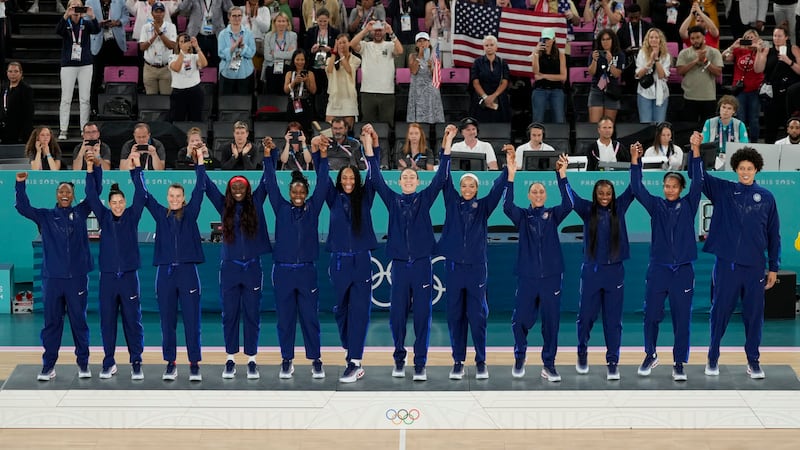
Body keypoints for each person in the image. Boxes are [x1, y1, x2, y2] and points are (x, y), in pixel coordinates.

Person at [687, 131, 780, 379]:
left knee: (753, 316)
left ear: (757, 170)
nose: (746, 172)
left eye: (750, 168)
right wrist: (695, 150)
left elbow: (774, 235)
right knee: (719, 312)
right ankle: (713, 357)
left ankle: (753, 361)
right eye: (741, 168)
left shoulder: (767, 198)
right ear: (736, 169)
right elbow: (697, 178)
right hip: (727, 264)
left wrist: (774, 267)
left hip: (754, 267)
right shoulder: (724, 191)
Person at [364, 122, 452, 381]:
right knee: (397, 317)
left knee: (423, 317)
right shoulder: (392, 200)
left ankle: (420, 363)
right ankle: (399, 359)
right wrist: (369, 143)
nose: (409, 180)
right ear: (400, 181)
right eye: (405, 177)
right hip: (400, 266)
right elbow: (374, 176)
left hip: (423, 265)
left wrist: (447, 141)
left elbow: (442, 176)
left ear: (417, 180)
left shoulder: (425, 198)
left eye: (413, 177)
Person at [629, 140, 702, 382]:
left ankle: (679, 362)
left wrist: (695, 151)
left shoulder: (690, 204)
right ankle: (650, 354)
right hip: (658, 270)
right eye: (666, 186)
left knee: (682, 319)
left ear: (681, 188)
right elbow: (637, 188)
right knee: (651, 315)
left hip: (682, 271)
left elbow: (699, 181)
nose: (669, 189)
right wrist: (635, 160)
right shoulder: (656, 206)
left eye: (674, 186)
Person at [437, 135, 508, 381]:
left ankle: (480, 361)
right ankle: (458, 361)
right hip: (455, 268)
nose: (467, 189)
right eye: (464, 185)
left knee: (477, 317)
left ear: (477, 189)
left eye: (472, 186)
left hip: (477, 268)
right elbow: (443, 178)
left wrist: (508, 165)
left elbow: (499, 188)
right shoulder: (452, 202)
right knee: (455, 315)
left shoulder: (484, 207)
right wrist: (446, 146)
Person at [312, 127, 379, 383]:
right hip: (339, 260)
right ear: (340, 181)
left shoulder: (366, 197)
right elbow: (322, 178)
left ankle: (355, 360)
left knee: (360, 310)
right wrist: (321, 152)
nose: (348, 181)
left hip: (361, 260)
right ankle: (349, 347)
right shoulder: (333, 197)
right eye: (345, 178)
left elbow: (375, 175)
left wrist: (370, 146)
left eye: (352, 178)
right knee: (341, 309)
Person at [263, 133, 331, 380]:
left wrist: (322, 156)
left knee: (310, 318)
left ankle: (316, 360)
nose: (299, 193)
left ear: (306, 191)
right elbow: (270, 183)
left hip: (306, 272)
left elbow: (323, 183)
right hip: (282, 271)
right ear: (290, 192)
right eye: (295, 190)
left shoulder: (313, 208)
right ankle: (286, 360)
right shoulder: (280, 208)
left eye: (302, 189)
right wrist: (268, 155)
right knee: (286, 319)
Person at [15, 172, 92, 381]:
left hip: (77, 279)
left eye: (68, 191)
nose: (65, 194)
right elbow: (23, 208)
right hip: (52, 280)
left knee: (79, 322)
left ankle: (83, 364)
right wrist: (20, 184)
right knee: (51, 324)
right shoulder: (45, 216)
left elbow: (95, 194)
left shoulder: (82, 212)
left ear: (73, 195)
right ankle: (48, 366)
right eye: (61, 191)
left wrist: (93, 170)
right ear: (56, 195)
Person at [203, 150, 273, 380]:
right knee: (230, 315)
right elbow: (207, 185)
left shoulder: (257, 203)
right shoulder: (224, 207)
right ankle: (230, 359)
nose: (239, 191)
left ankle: (252, 360)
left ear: (248, 190)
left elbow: (268, 180)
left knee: (252, 314)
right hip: (230, 269)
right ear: (230, 191)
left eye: (242, 187)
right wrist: (200, 163)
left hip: (252, 268)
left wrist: (268, 156)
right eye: (235, 188)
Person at [504, 151, 572, 381]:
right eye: (534, 191)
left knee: (551, 323)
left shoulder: (553, 215)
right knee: (521, 319)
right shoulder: (522, 216)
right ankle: (519, 356)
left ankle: (549, 365)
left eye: (542, 191)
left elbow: (569, 203)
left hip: (552, 276)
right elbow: (506, 206)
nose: (539, 194)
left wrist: (562, 175)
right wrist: (511, 176)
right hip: (527, 276)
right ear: (529, 195)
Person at [143, 146, 208, 382]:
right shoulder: (160, 214)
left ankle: (193, 364)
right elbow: (144, 195)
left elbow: (200, 189)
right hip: (165, 274)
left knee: (192, 321)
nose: (174, 200)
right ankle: (170, 363)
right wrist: (135, 169)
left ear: (183, 199)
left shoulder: (191, 213)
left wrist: (200, 161)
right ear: (167, 198)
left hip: (188, 273)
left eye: (178, 197)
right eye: (171, 197)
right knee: (167, 321)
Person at [84, 150, 146, 380]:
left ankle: (136, 362)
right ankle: (109, 362)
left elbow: (142, 193)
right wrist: (90, 169)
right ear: (109, 204)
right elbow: (91, 195)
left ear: (125, 203)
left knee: (133, 322)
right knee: (107, 323)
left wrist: (136, 168)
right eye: (114, 202)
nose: (118, 205)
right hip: (108, 279)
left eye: (121, 202)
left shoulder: (132, 215)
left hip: (129, 278)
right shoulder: (103, 217)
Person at [571, 171, 634, 380]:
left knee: (613, 321)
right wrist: (561, 175)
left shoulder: (620, 208)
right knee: (586, 317)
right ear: (595, 195)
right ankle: (582, 352)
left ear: (613, 194)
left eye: (608, 193)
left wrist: (636, 162)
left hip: (614, 273)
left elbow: (634, 187)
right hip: (592, 272)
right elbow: (569, 195)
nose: (605, 196)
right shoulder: (587, 210)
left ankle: (613, 362)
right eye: (600, 193)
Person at [56, 0, 101, 141]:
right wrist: (65, 15)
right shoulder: (66, 24)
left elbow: (97, 30)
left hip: (85, 64)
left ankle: (84, 130)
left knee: (84, 99)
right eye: (72, 5)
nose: (75, 8)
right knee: (66, 99)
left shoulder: (86, 24)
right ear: (69, 7)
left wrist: (92, 15)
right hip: (68, 64)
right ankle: (63, 129)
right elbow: (58, 31)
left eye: (78, 5)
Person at [350, 20, 403, 129]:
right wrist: (365, 30)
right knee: (367, 125)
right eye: (375, 31)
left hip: (387, 92)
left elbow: (400, 50)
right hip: (368, 92)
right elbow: (352, 44)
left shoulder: (389, 45)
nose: (378, 33)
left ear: (384, 32)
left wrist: (391, 33)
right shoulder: (365, 46)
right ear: (372, 32)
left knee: (387, 125)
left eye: (380, 30)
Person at [754, 24, 800, 144]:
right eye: (774, 35)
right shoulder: (768, 50)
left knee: (790, 128)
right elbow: (758, 69)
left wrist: (788, 61)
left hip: (789, 95)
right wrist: (760, 53)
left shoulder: (793, 49)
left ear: (786, 37)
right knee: (770, 129)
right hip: (772, 95)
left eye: (779, 36)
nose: (776, 38)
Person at [721, 29, 764, 143]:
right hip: (740, 90)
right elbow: (723, 57)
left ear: (757, 39)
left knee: (754, 119)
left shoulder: (762, 50)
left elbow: (761, 67)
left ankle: (754, 142)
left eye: (752, 38)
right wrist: (733, 46)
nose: (750, 40)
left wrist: (758, 49)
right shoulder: (739, 50)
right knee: (741, 118)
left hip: (755, 89)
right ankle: (741, 142)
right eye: (747, 38)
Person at [677, 25, 724, 125]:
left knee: (708, 130)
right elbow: (680, 71)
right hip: (689, 97)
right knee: (689, 129)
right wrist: (696, 61)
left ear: (704, 37)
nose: (695, 41)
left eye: (698, 37)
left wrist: (705, 61)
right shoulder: (684, 53)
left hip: (708, 98)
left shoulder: (714, 52)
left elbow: (718, 72)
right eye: (692, 38)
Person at [87, 0, 128, 111]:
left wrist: (118, 22)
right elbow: (86, 20)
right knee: (96, 77)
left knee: (116, 77)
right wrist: (97, 24)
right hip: (98, 43)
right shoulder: (90, 1)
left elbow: (126, 17)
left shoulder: (120, 1)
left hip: (116, 43)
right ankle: (94, 107)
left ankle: (118, 107)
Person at [176, 0, 234, 68]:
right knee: (196, 64)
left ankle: (219, 78)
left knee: (220, 63)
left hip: (216, 37)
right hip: (197, 37)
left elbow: (230, 9)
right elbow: (183, 10)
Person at [304, 8, 339, 115]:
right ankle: (316, 114)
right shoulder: (310, 32)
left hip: (328, 66)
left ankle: (327, 114)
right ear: (316, 19)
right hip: (315, 66)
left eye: (325, 21)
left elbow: (339, 50)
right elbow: (305, 49)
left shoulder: (335, 32)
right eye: (320, 21)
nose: (323, 23)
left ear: (329, 19)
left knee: (327, 91)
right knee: (315, 92)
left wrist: (331, 50)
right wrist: (312, 50)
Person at [139, 2, 178, 95]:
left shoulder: (171, 27)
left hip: (166, 68)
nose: (159, 14)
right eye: (157, 11)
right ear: (152, 13)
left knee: (166, 98)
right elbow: (142, 47)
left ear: (164, 13)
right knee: (151, 100)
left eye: (161, 12)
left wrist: (160, 33)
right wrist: (153, 37)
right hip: (150, 68)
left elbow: (171, 46)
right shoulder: (145, 27)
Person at [470, 35, 510, 123]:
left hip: (499, 98)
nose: (489, 47)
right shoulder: (477, 62)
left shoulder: (502, 63)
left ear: (496, 47)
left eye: (491, 45)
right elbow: (475, 82)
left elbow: (504, 82)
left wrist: (493, 96)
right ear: (483, 47)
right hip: (481, 98)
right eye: (486, 45)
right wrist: (485, 97)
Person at [168, 33, 208, 122]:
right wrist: (182, 52)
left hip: (195, 91)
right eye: (181, 42)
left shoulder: (194, 56)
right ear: (178, 44)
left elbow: (204, 64)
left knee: (196, 119)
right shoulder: (172, 57)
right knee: (177, 120)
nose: (184, 43)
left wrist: (197, 47)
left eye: (186, 41)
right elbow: (176, 68)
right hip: (179, 93)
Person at [407, 32, 444, 125]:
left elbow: (437, 77)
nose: (422, 43)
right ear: (416, 44)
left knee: (432, 119)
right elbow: (414, 71)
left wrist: (431, 66)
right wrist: (420, 55)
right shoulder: (412, 56)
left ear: (429, 42)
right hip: (417, 91)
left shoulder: (435, 57)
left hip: (430, 91)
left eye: (424, 41)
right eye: (419, 41)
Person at [587, 28, 624, 123]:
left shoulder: (619, 55)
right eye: (603, 39)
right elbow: (591, 73)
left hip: (612, 90)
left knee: (608, 124)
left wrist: (610, 61)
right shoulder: (595, 54)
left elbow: (616, 74)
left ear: (613, 40)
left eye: (608, 39)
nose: (605, 42)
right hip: (597, 89)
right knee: (595, 124)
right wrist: (594, 60)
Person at [701, 95, 750, 167]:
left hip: (734, 159)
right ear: (719, 108)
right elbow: (704, 144)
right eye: (723, 107)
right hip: (713, 159)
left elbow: (744, 146)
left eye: (729, 108)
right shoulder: (709, 123)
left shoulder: (739, 125)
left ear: (734, 111)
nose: (725, 111)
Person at [530, 28, 566, 124]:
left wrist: (544, 76)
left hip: (556, 90)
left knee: (559, 119)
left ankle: (559, 139)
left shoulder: (560, 55)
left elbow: (563, 77)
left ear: (553, 39)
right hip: (540, 90)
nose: (546, 41)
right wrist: (536, 54)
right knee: (538, 119)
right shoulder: (537, 53)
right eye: (544, 39)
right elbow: (535, 72)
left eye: (548, 39)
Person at [218, 6, 257, 95]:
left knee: (244, 103)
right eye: (234, 16)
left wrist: (243, 46)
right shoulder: (222, 34)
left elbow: (251, 53)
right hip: (227, 73)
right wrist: (233, 47)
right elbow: (221, 54)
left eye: (239, 15)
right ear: (229, 17)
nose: (237, 18)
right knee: (226, 103)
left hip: (245, 72)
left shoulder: (249, 33)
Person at [635, 28, 670, 124]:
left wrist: (657, 59)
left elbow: (662, 75)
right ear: (648, 39)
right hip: (644, 93)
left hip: (661, 93)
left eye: (656, 37)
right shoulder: (642, 53)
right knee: (645, 124)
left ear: (660, 40)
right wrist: (650, 61)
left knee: (660, 124)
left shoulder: (665, 55)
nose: (654, 39)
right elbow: (638, 74)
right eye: (651, 37)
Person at [325, 34, 360, 127]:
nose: (342, 45)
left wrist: (341, 55)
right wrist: (334, 52)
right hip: (334, 98)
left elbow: (349, 69)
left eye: (344, 42)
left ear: (349, 43)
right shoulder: (330, 59)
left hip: (348, 98)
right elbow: (329, 70)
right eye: (339, 43)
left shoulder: (355, 60)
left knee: (347, 130)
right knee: (329, 130)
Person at [616, 4, 651, 92]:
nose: (634, 20)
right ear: (628, 15)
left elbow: (655, 46)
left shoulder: (649, 28)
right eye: (631, 18)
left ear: (640, 15)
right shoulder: (622, 30)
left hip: (646, 65)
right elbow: (617, 50)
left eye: (636, 17)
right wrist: (626, 51)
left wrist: (644, 50)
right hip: (629, 66)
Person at [262, 12, 297, 95]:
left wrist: (275, 53)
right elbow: (267, 56)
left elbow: (292, 55)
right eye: (279, 21)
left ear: (287, 23)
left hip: (286, 67)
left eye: (283, 21)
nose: (281, 23)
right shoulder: (268, 36)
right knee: (271, 93)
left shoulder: (293, 35)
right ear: (274, 23)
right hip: (271, 67)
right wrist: (285, 53)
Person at [284, 49, 317, 134]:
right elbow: (286, 90)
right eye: (297, 59)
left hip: (305, 104)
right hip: (292, 104)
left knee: (305, 130)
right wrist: (294, 82)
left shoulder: (310, 73)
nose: (300, 62)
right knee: (292, 129)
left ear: (305, 61)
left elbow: (313, 91)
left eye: (302, 60)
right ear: (294, 60)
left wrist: (306, 81)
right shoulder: (289, 74)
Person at [1, 62, 35, 145]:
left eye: (16, 71)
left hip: (19, 132)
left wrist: (24, 133)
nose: (13, 74)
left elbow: (29, 113)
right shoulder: (4, 87)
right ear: (7, 73)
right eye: (10, 71)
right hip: (4, 131)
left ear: (21, 73)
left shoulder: (26, 89)